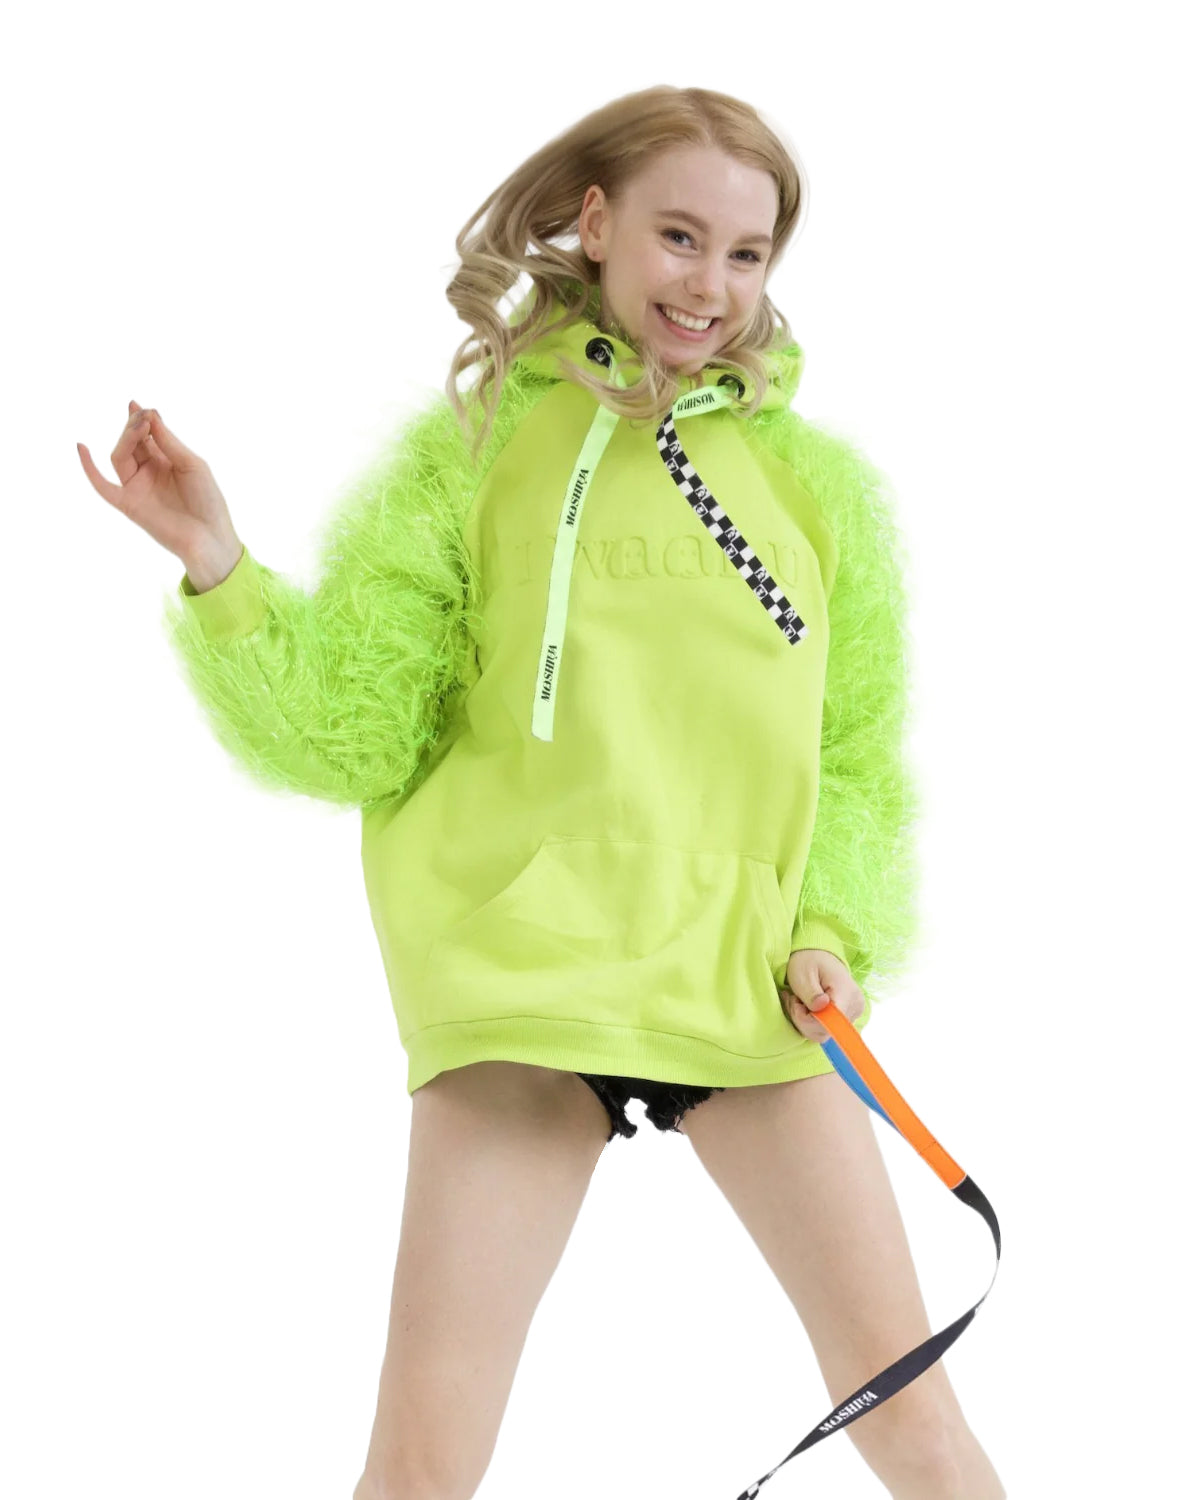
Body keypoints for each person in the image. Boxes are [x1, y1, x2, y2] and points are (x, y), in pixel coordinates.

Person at [77, 85, 1004, 1500]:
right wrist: (219, 564)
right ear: (596, 222)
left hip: (744, 985)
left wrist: (830, 928)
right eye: (680, 235)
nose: (710, 284)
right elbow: (352, 734)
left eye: (746, 252)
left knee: (916, 1425)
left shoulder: (818, 492)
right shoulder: (475, 453)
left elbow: (856, 756)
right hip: (523, 975)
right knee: (421, 1462)